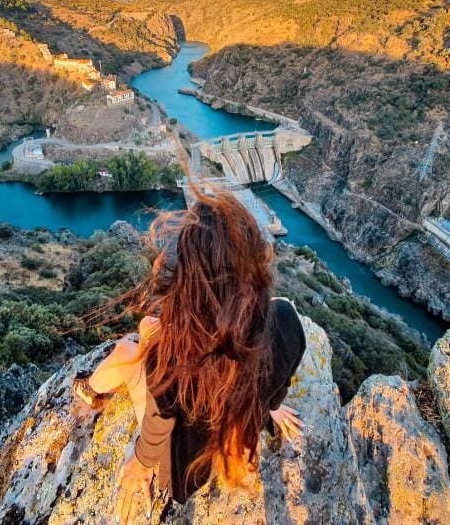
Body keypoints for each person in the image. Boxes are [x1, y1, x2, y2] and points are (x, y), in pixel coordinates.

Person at [72, 190, 307, 524]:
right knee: (149, 330)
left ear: (189, 275)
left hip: (185, 473)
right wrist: (270, 407)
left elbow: (158, 422)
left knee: (129, 346)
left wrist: (139, 465)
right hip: (238, 442)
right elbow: (278, 379)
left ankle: (88, 394)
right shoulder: (286, 319)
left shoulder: (171, 350)